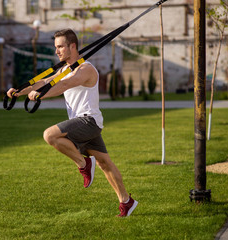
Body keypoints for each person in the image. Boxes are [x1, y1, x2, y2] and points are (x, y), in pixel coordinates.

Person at [7, 28, 138, 217]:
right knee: (105, 163)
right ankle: (126, 201)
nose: (56, 51)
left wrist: (42, 96)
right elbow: (45, 81)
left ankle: (83, 163)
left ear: (73, 46)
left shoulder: (86, 69)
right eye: (56, 47)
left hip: (88, 121)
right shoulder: (63, 70)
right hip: (84, 123)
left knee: (50, 135)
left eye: (60, 47)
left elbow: (66, 85)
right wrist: (20, 91)